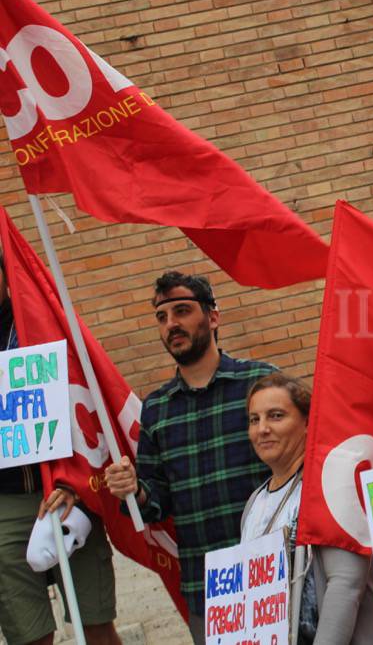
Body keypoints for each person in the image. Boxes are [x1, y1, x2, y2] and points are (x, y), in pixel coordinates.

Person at [104, 271, 275, 643]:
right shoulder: (157, 408)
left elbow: (300, 470)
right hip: (209, 587)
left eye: (182, 311)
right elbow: (156, 502)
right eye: (162, 317)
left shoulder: (262, 384)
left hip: (274, 571)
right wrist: (134, 490)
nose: (171, 325)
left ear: (213, 317)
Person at [0, 257, 121, 645]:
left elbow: (87, 402)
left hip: (68, 492)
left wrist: (76, 482)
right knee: (29, 635)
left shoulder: (44, 322)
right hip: (6, 504)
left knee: (96, 627)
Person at [241, 372, 373, 645]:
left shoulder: (329, 484)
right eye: (254, 420)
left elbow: (345, 586)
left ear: (308, 422)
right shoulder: (254, 503)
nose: (262, 429)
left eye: (276, 415)